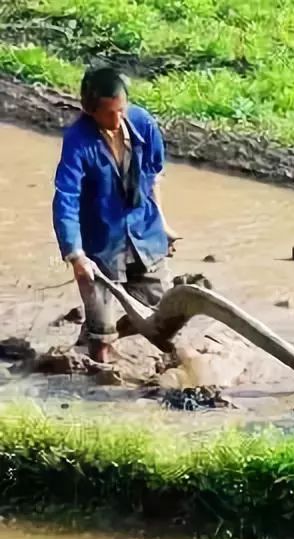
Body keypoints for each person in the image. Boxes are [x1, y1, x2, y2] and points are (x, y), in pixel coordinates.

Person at [52, 65, 181, 363]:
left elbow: (153, 174)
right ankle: (97, 356)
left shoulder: (142, 123)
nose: (117, 119)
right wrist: (75, 256)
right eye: (109, 114)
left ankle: (107, 339)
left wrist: (162, 223)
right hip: (102, 247)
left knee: (165, 318)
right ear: (89, 111)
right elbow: (66, 198)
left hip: (144, 236)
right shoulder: (78, 141)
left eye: (121, 110)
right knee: (102, 336)